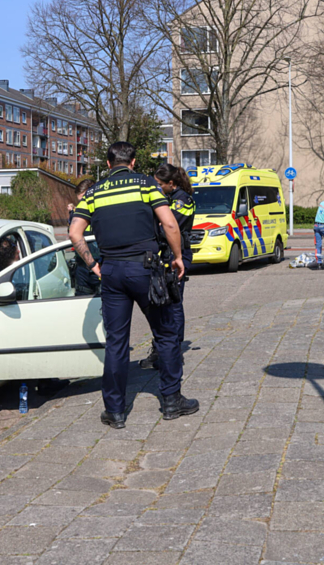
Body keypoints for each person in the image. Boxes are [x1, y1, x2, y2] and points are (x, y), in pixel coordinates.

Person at [69, 142, 197, 430]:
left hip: (112, 270)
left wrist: (93, 265)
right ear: (134, 161)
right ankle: (172, 401)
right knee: (165, 334)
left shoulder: (93, 192)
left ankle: (114, 411)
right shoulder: (146, 185)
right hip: (147, 268)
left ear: (108, 162)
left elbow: (74, 233)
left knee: (116, 342)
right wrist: (178, 258)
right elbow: (170, 225)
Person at [141, 163, 195, 370]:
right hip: (164, 255)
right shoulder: (169, 198)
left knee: (173, 303)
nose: (156, 188)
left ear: (170, 184)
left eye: (158, 184)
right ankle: (160, 349)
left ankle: (173, 352)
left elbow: (167, 227)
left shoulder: (183, 201)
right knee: (160, 303)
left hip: (176, 255)